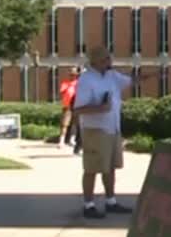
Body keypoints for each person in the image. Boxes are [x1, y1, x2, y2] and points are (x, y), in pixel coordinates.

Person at [73, 47, 158, 219]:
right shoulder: (86, 80)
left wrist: (150, 75)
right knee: (92, 168)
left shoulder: (112, 76)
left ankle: (111, 201)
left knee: (110, 167)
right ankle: (88, 205)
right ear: (95, 62)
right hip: (95, 130)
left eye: (109, 59)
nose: (109, 62)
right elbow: (78, 109)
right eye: (105, 59)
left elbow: (130, 81)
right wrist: (101, 108)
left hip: (113, 128)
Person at [58, 67, 80, 149]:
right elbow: (62, 91)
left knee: (75, 123)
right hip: (67, 106)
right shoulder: (65, 83)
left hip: (76, 106)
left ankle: (72, 140)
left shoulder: (79, 84)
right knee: (64, 124)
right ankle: (61, 141)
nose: (72, 76)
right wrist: (71, 85)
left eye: (74, 75)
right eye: (71, 75)